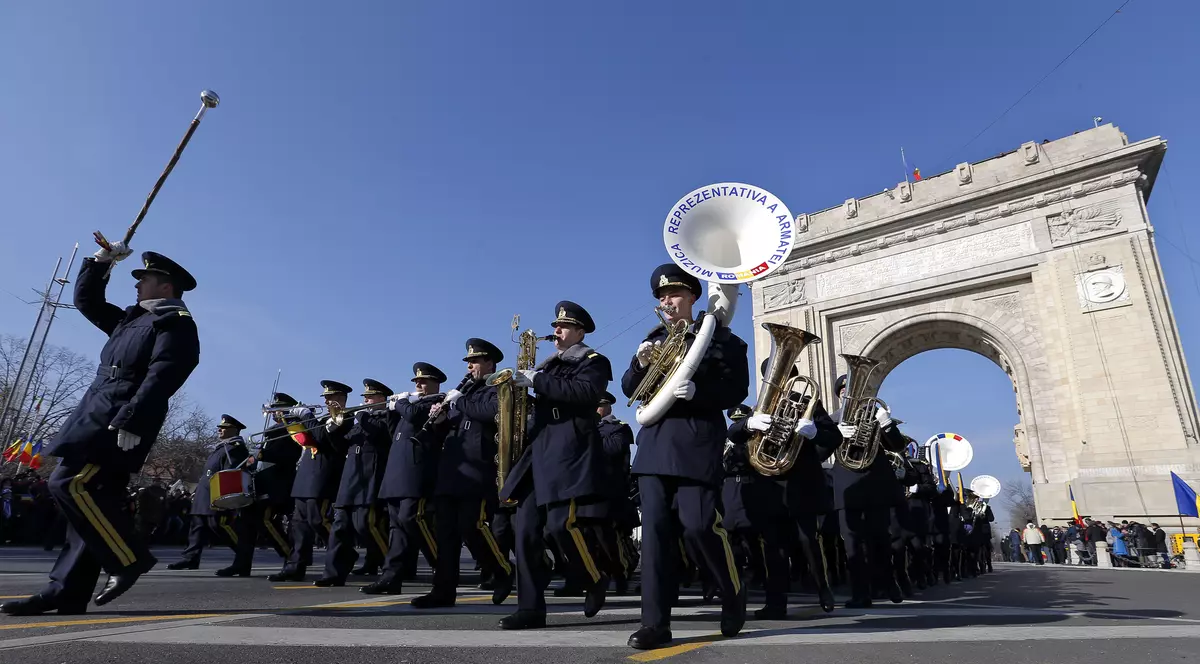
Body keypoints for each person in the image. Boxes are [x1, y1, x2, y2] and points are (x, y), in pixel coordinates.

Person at [2, 246, 200, 616]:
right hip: (97, 410)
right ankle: (66, 592)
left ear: (166, 286)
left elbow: (167, 372)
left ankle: (129, 559)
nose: (137, 285)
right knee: (88, 505)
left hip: (117, 417)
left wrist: (134, 418)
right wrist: (99, 263)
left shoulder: (175, 322)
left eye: (144, 279)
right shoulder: (132, 319)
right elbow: (87, 302)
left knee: (70, 484)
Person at [621, 264, 749, 650]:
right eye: (662, 297)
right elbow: (629, 389)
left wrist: (700, 392)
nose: (667, 301)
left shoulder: (722, 339)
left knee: (698, 527)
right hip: (654, 445)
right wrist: (639, 364)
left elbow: (736, 390)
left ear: (693, 296)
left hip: (695, 443)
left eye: (674, 294)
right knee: (655, 540)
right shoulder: (654, 339)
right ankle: (655, 624)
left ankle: (732, 589)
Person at [498, 301, 616, 630]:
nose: (557, 331)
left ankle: (594, 578)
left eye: (564, 327)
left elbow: (584, 393)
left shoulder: (593, 361)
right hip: (538, 449)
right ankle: (530, 608)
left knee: (559, 527)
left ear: (580, 332)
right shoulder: (548, 366)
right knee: (524, 532)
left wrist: (536, 380)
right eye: (556, 326)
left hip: (568, 448)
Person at [410, 339, 513, 608]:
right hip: (451, 471)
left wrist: (461, 401)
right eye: (468, 362)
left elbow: (492, 413)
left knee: (472, 527)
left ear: (490, 363)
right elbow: (452, 431)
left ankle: (502, 571)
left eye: (475, 361)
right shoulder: (462, 394)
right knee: (445, 534)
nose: (469, 367)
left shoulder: (497, 388)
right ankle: (443, 591)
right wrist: (440, 420)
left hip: (478, 471)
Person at [364, 363, 447, 595]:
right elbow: (394, 433)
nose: (418, 384)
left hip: (416, 472)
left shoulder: (436, 402)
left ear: (435, 383)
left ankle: (443, 566)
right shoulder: (411, 404)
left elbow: (414, 416)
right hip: (397, 472)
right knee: (397, 528)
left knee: (412, 520)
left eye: (423, 381)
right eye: (416, 381)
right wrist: (391, 410)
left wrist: (400, 403)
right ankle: (391, 577)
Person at [315, 379, 394, 586]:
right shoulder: (359, 421)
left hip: (370, 478)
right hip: (350, 479)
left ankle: (393, 566)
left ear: (382, 398)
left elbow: (379, 436)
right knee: (339, 528)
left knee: (366, 526)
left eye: (370, 397)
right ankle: (333, 573)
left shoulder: (387, 416)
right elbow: (342, 447)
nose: (365, 400)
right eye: (365, 397)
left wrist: (362, 416)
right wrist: (334, 430)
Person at [269, 385, 348, 582]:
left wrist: (306, 415)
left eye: (330, 396)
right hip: (306, 474)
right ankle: (295, 566)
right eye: (325, 397)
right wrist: (292, 419)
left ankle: (343, 556)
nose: (326, 401)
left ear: (341, 397)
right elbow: (307, 439)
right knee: (299, 526)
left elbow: (322, 437)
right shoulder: (322, 419)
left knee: (318, 521)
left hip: (323, 475)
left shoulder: (344, 418)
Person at [167, 415, 250, 570]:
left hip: (217, 495)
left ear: (234, 430)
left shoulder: (235, 448)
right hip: (204, 494)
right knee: (197, 527)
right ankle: (191, 558)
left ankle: (244, 554)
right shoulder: (221, 448)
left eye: (224, 428)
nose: (220, 430)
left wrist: (226, 499)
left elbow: (231, 474)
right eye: (220, 427)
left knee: (219, 526)